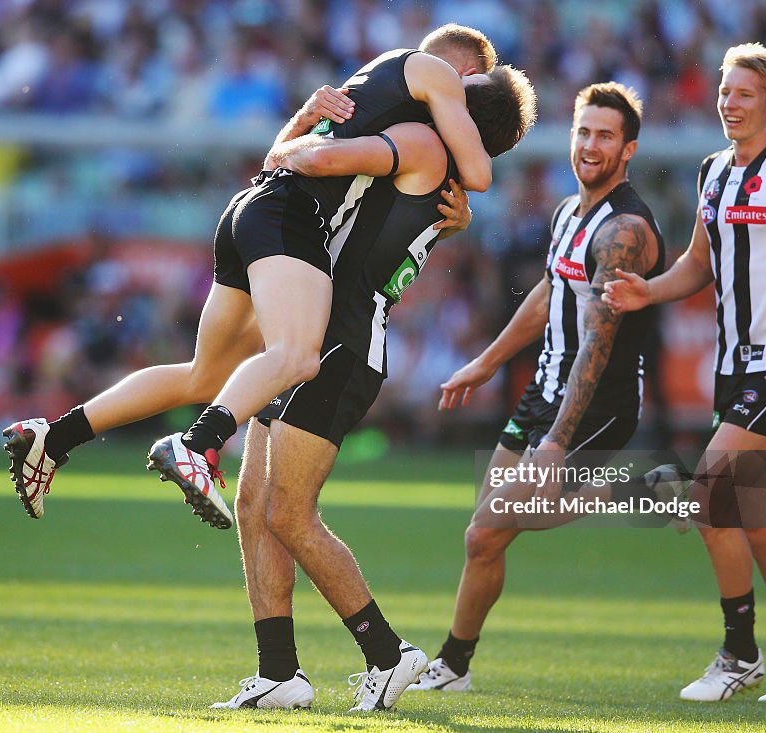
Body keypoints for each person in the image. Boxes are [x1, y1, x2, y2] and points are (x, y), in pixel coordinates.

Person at [3, 25, 499, 525]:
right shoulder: (435, 76)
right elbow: (479, 174)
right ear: (468, 74)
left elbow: (276, 160)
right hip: (293, 215)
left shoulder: (379, 85)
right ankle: (198, 445)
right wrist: (465, 205)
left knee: (207, 373)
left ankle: (53, 438)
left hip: (253, 207)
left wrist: (301, 123)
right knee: (299, 356)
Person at [210, 65, 537, 713]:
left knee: (288, 512)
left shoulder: (421, 141)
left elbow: (311, 161)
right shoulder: (435, 166)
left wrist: (294, 134)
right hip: (317, 328)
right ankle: (278, 672)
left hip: (341, 340)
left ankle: (388, 652)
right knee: (256, 505)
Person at [602, 43, 766, 702]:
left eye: (744, 93)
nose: (730, 102)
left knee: (712, 495)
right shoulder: (713, 171)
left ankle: (739, 652)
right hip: (731, 371)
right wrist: (648, 290)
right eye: (725, 91)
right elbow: (699, 262)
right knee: (755, 521)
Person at [410, 82, 667, 692]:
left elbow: (599, 348)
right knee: (483, 539)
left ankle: (639, 494)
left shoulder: (623, 230)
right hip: (544, 390)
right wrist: (489, 361)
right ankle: (455, 667)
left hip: (593, 404)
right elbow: (550, 293)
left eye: (605, 136)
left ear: (628, 149)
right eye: (583, 131)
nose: (590, 145)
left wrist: (557, 437)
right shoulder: (567, 211)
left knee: (486, 531)